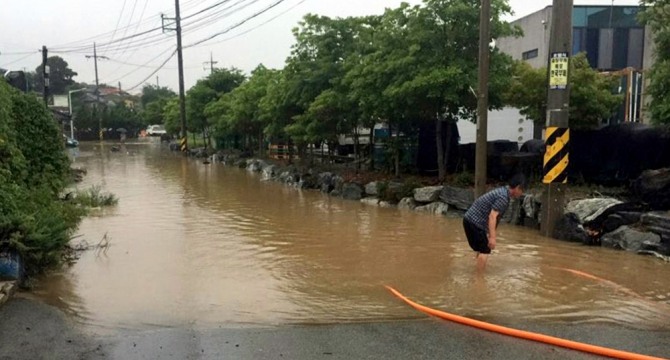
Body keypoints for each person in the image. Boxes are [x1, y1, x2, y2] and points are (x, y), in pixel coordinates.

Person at [463, 174, 526, 270]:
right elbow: (492, 216)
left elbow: (494, 218)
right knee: (485, 250)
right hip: (474, 222)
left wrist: (488, 233)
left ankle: (477, 271)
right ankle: (479, 280)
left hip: (470, 220)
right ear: (517, 188)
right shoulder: (503, 198)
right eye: (522, 190)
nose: (522, 194)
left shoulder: (503, 192)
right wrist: (492, 237)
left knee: (482, 248)